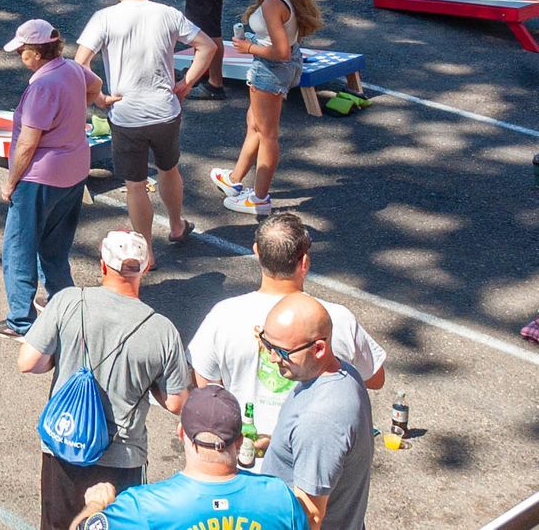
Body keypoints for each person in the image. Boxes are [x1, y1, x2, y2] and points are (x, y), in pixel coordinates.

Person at [20, 231, 190, 530]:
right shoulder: (162, 330)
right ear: (145, 268)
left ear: (102, 265)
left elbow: (29, 362)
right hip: (122, 459)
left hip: (64, 445)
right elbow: (177, 402)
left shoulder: (68, 301)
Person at [188, 213, 386, 448]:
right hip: (315, 454)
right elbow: (374, 377)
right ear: (304, 263)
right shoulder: (338, 319)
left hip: (245, 457)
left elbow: (206, 386)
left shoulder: (223, 315)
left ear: (256, 252)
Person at [75, 0, 218, 245]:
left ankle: (147, 250)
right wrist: (186, 82)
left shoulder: (103, 18)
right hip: (165, 111)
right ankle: (177, 225)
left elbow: (80, 64)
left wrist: (99, 97)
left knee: (136, 185)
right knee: (169, 169)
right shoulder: (167, 14)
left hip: (126, 115)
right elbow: (208, 47)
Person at [0, 19, 106, 340]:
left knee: (19, 248)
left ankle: (20, 320)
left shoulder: (41, 87)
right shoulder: (71, 68)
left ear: (36, 53)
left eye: (22, 52)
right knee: (55, 245)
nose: (20, 57)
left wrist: (11, 181)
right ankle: (62, 303)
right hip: (73, 171)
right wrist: (75, 113)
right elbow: (95, 86)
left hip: (40, 178)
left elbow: (28, 143)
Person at [67, 385, 306, 530]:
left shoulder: (143, 506)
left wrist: (95, 503)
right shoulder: (280, 497)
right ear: (240, 441)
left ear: (181, 433)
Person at [211, 0, 322, 218]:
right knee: (254, 124)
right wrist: (254, 41)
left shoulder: (273, 3)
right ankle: (235, 179)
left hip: (269, 69)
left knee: (267, 134)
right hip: (279, 66)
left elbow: (280, 51)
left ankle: (259, 198)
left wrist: (249, 48)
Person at [257, 293, 373, 530]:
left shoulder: (319, 421)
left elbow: (310, 518)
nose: (271, 358)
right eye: (267, 344)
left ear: (319, 348)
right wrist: (278, 446)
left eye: (281, 351)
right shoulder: (343, 372)